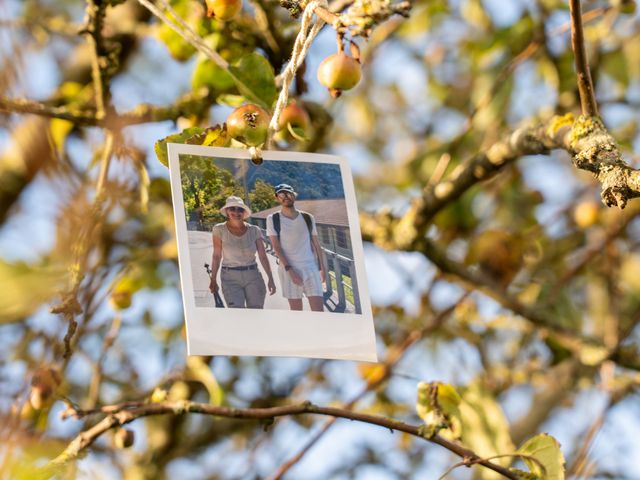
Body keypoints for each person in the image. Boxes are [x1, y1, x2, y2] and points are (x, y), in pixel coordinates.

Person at [267, 184, 326, 311]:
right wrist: (291, 271)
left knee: (319, 312)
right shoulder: (273, 219)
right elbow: (276, 247)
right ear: (277, 198)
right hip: (288, 270)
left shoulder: (308, 218)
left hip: (310, 268)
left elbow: (316, 244)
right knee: (297, 313)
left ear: (294, 195)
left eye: (288, 193)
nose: (285, 197)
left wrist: (322, 269)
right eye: (281, 194)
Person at [209, 196, 276, 308]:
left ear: (244, 212)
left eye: (240, 209)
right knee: (237, 314)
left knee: (256, 313)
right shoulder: (219, 229)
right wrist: (213, 279)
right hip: (230, 277)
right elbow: (216, 256)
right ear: (227, 211)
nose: (236, 212)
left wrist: (271, 278)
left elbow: (263, 256)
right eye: (232, 209)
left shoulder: (254, 230)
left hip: (253, 275)